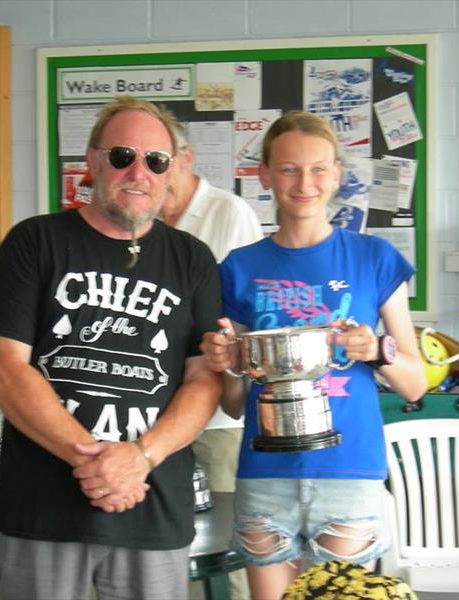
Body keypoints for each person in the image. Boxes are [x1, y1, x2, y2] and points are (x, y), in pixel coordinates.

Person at [0, 95, 223, 600]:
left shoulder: (193, 259)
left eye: (156, 161)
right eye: (122, 156)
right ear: (91, 161)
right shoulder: (34, 242)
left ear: (171, 170)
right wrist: (96, 462)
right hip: (44, 509)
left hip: (152, 505)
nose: (139, 172)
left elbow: (204, 379)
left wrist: (139, 459)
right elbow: (3, 369)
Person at [200, 111, 426, 600]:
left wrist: (377, 350)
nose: (305, 183)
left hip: (350, 470)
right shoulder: (240, 268)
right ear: (264, 174)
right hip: (266, 474)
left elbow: (415, 382)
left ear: (337, 175)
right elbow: (236, 404)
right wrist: (226, 363)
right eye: (288, 169)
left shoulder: (375, 258)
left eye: (319, 169)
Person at [161, 122, 262, 600]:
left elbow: (242, 313)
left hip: (217, 413)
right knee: (157, 545)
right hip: (150, 413)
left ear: (185, 157)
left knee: (227, 549)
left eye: (161, 158)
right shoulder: (135, 216)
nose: (150, 171)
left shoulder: (227, 211)